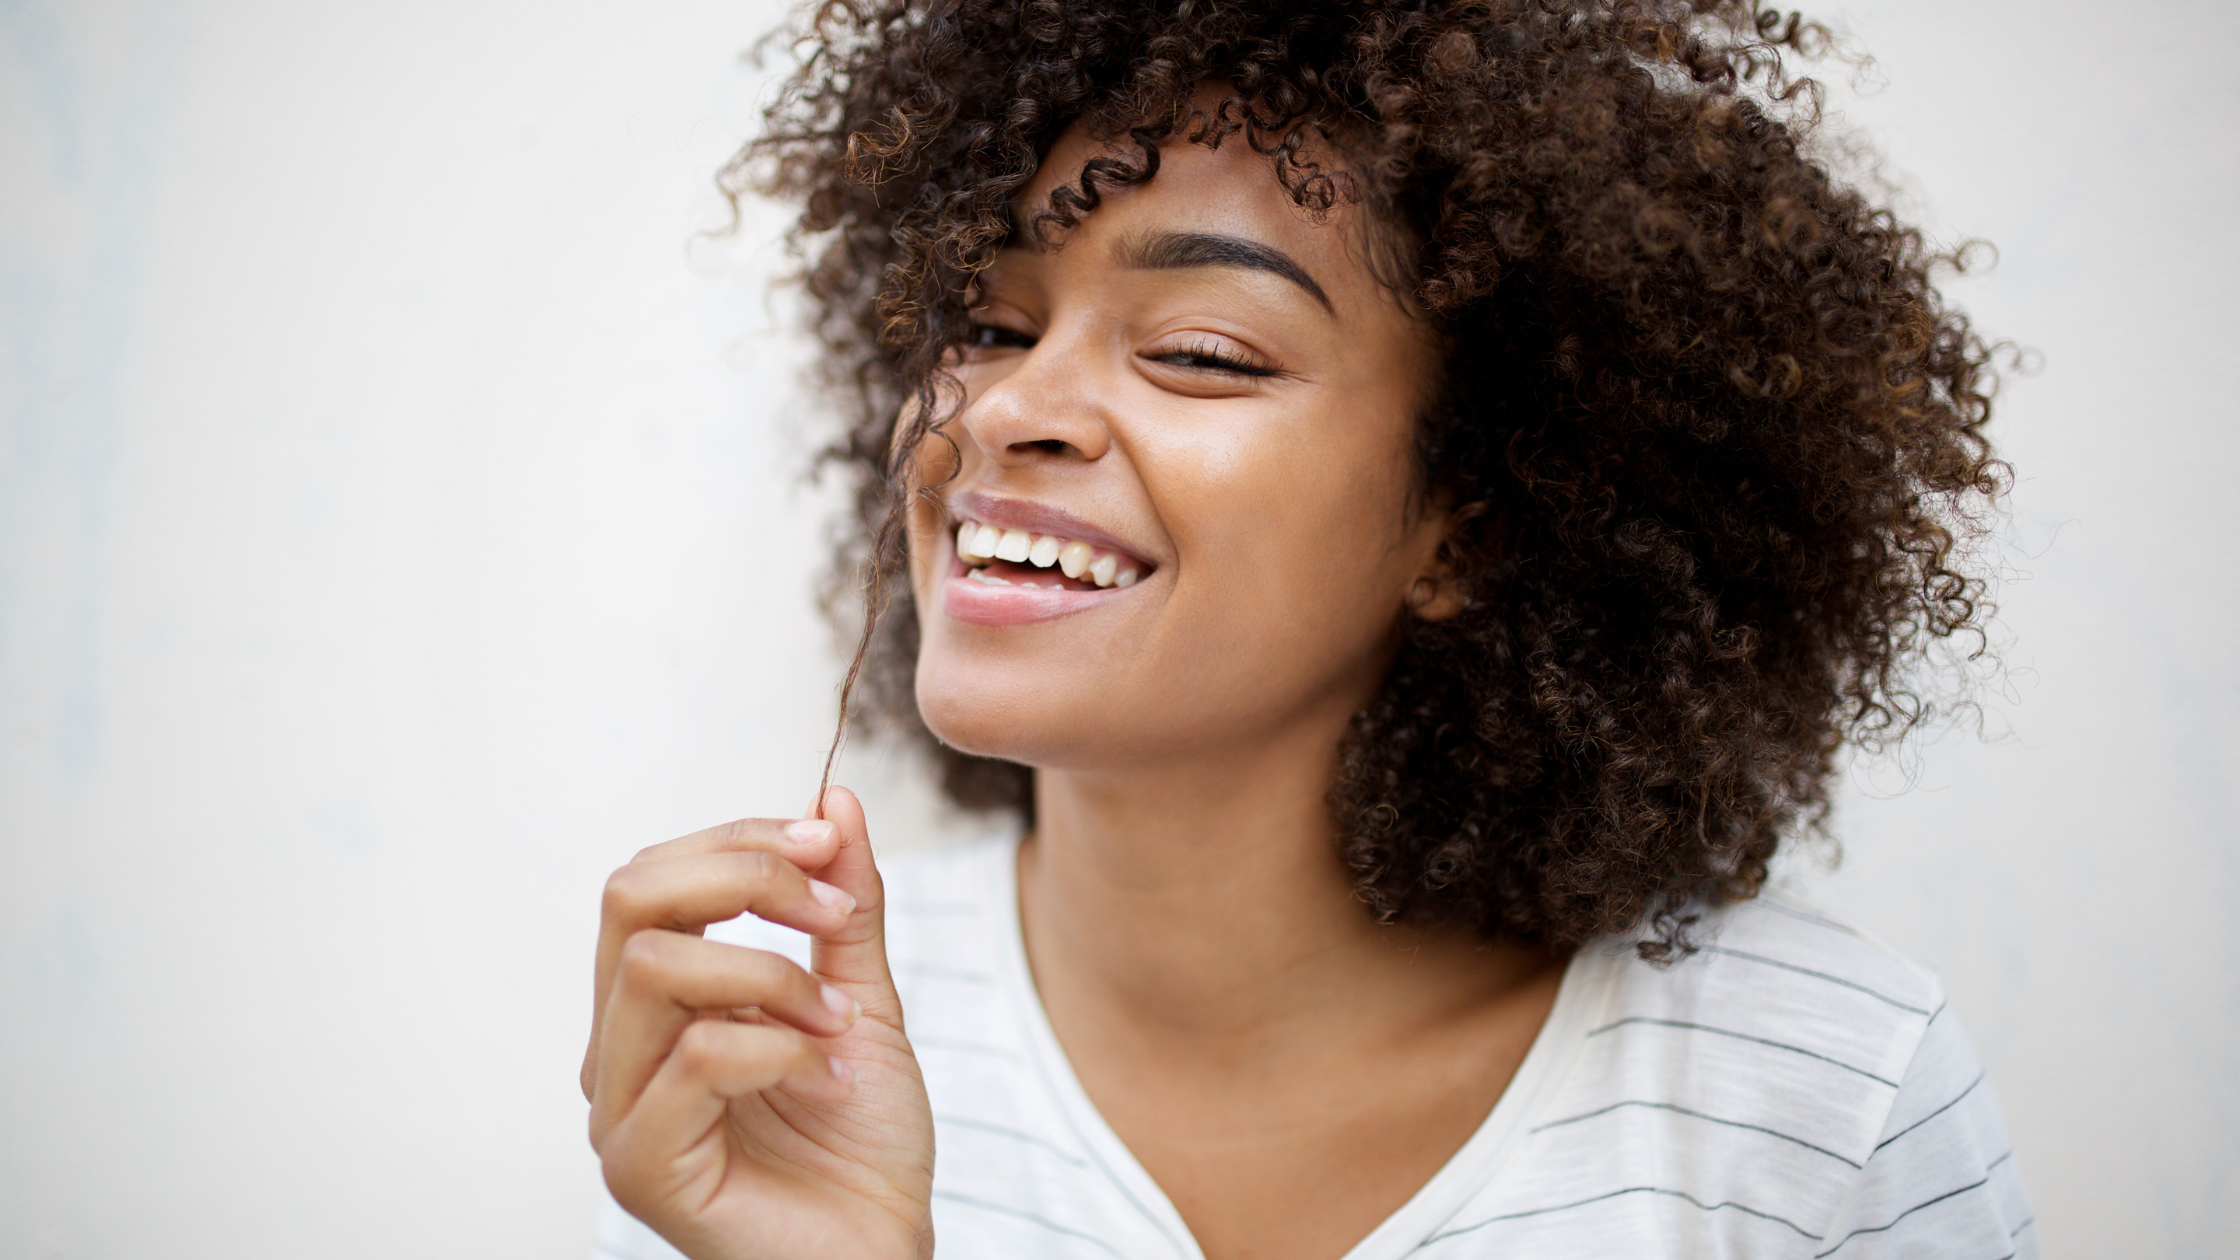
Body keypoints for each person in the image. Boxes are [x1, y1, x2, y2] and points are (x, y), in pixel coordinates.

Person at [581, 2, 2034, 1256]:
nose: (1008, 409)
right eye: (990, 326)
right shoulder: (769, 1070)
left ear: (1471, 527)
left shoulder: (1825, 1097)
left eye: (1201, 352)